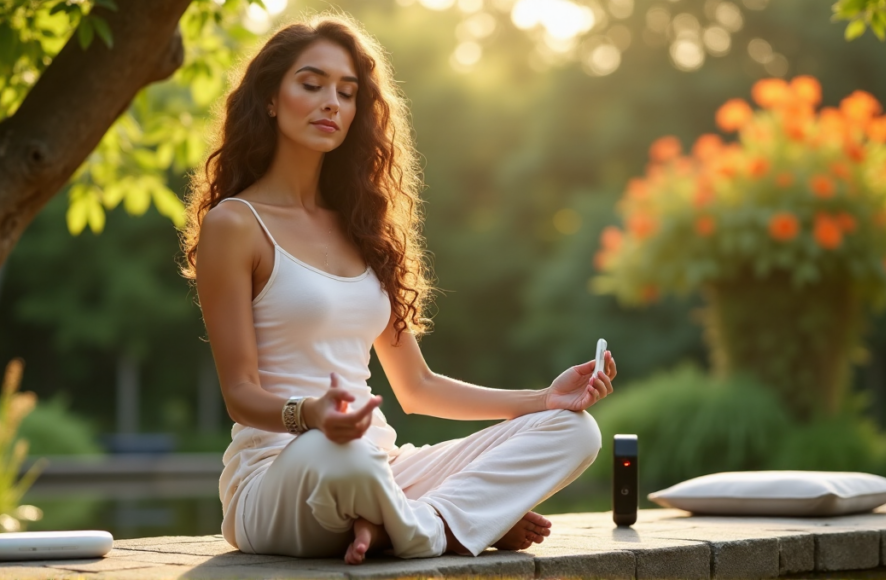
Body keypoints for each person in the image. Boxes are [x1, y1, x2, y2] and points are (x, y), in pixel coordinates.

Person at [179, 13, 616, 566]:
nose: (331, 102)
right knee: (342, 456)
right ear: (269, 97)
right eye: (311, 85)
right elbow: (239, 392)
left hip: (380, 467)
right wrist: (313, 414)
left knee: (575, 433)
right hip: (282, 473)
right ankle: (448, 525)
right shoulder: (235, 225)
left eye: (346, 91)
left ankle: (398, 527)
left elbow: (418, 386)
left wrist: (541, 401)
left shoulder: (363, 229)